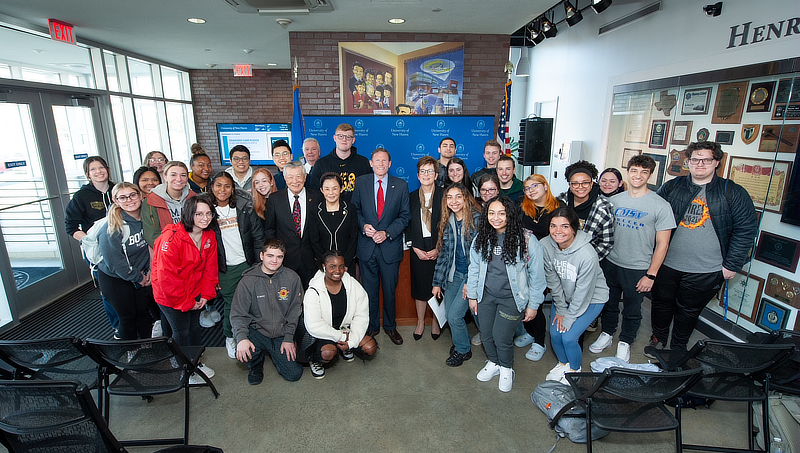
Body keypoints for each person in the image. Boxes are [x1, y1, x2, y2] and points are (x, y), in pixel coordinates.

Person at [647, 141, 757, 355]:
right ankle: (658, 338)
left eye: (706, 159)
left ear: (716, 162)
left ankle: (679, 346)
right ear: (688, 162)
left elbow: (746, 231)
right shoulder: (672, 187)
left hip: (706, 268)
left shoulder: (733, 192)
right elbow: (653, 218)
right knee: (661, 304)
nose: (700, 164)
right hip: (667, 263)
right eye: (695, 159)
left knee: (688, 310)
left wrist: (731, 265)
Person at [589, 155, 676, 362]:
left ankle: (625, 341)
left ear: (650, 175)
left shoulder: (660, 205)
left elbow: (663, 244)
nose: (638, 176)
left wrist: (651, 275)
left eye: (644, 172)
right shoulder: (613, 201)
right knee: (608, 303)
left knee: (632, 308)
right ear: (628, 173)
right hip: (611, 262)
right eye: (634, 171)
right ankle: (607, 334)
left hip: (638, 267)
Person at [466, 196, 546, 392]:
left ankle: (506, 368)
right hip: (486, 296)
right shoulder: (481, 237)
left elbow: (537, 277)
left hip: (512, 299)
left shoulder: (527, 239)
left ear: (510, 215)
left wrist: (534, 304)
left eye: (502, 213)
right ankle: (494, 363)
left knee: (501, 337)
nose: (496, 218)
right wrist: (473, 295)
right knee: (486, 335)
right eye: (492, 213)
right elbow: (474, 268)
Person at [151, 194, 218, 384]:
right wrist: (187, 302)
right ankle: (184, 369)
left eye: (208, 214)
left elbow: (209, 268)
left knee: (195, 328)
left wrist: (205, 295)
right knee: (181, 331)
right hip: (169, 295)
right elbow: (167, 279)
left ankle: (194, 361)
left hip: (194, 291)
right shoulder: (171, 239)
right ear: (189, 214)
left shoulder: (209, 235)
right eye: (199, 214)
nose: (205, 218)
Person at [541, 207, 608, 385]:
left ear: (574, 228)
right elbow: (552, 279)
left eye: (564, 226)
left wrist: (570, 317)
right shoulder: (545, 245)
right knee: (555, 334)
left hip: (592, 299)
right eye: (553, 226)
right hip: (563, 297)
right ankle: (563, 364)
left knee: (569, 337)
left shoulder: (587, 255)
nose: (558, 231)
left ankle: (574, 370)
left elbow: (584, 291)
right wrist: (561, 308)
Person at [351, 148, 410, 345]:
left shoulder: (401, 186)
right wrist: (363, 226)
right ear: (371, 163)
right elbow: (355, 210)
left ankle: (391, 327)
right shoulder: (361, 183)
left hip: (390, 248)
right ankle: (372, 326)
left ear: (390, 164)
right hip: (367, 248)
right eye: (377, 160)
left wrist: (387, 233)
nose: (381, 164)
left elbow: (405, 216)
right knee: (369, 291)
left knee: (390, 291)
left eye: (385, 160)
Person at [230, 239, 304, 385]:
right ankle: (256, 364)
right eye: (270, 256)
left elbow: (295, 311)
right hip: (257, 331)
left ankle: (274, 353)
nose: (274, 261)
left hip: (281, 333)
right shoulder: (248, 281)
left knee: (294, 374)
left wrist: (289, 338)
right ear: (262, 256)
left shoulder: (292, 278)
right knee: (243, 351)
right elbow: (238, 313)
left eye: (279, 257)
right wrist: (241, 338)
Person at [210, 171, 265, 359]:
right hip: (225, 268)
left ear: (233, 189)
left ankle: (249, 335)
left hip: (247, 263)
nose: (222, 190)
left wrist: (259, 264)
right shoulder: (207, 212)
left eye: (227, 186)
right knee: (231, 305)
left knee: (253, 302)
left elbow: (257, 236)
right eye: (218, 185)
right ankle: (230, 336)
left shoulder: (244, 208)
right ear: (212, 188)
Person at [302, 251, 378, 379]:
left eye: (341, 266)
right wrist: (341, 337)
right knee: (328, 352)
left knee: (369, 347)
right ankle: (315, 359)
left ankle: (346, 348)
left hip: (345, 329)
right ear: (324, 267)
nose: (338, 270)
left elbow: (361, 316)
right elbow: (314, 325)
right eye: (332, 266)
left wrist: (351, 341)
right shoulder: (313, 290)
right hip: (325, 332)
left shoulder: (353, 285)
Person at [64, 156, 118, 334]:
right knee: (109, 290)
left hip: (121, 247)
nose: (98, 171)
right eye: (93, 169)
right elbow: (70, 227)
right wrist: (90, 242)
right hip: (97, 250)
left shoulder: (118, 190)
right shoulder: (81, 196)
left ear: (107, 169)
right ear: (87, 174)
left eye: (101, 167)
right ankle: (117, 326)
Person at [513, 174, 564, 362]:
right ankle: (530, 332)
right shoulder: (523, 207)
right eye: (527, 188)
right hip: (524, 261)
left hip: (547, 263)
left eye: (535, 186)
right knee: (525, 299)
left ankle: (540, 341)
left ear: (545, 186)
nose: (531, 190)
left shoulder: (558, 209)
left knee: (537, 302)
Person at [432, 183, 482, 367]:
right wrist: (437, 282)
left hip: (471, 277)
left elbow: (481, 257)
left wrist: (471, 282)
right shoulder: (448, 220)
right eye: (449, 197)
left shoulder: (477, 220)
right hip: (454, 275)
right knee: (449, 313)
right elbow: (444, 254)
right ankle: (462, 341)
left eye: (458, 197)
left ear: (466, 198)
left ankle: (463, 350)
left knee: (454, 316)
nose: (454, 201)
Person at [96, 183, 152, 340]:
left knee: (143, 313)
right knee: (128, 318)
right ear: (115, 200)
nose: (129, 200)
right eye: (123, 197)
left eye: (133, 195)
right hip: (116, 278)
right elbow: (114, 262)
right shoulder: (113, 226)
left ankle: (147, 349)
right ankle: (131, 355)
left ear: (140, 196)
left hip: (142, 274)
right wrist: (139, 278)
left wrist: (147, 273)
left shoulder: (147, 218)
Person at [263, 161, 320, 288]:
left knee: (311, 298)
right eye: (290, 177)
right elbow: (270, 229)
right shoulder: (275, 199)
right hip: (285, 260)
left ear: (305, 177)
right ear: (284, 178)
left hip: (311, 260)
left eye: (299, 176)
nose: (295, 181)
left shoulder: (317, 197)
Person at [406, 157, 443, 341]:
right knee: (420, 287)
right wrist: (414, 246)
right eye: (423, 171)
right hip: (418, 248)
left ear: (436, 175)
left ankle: (436, 322)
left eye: (430, 171)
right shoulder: (411, 197)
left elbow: (448, 224)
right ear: (418, 175)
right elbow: (406, 223)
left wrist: (439, 247)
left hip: (439, 248)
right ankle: (420, 322)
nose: (426, 175)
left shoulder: (445, 195)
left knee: (438, 288)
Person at [556, 160, 614, 261]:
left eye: (585, 183)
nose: (580, 187)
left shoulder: (603, 208)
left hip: (587, 260)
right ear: (570, 185)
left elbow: (606, 243)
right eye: (575, 183)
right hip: (559, 256)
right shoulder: (560, 201)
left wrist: (586, 260)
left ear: (592, 184)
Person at [307, 123, 372, 202]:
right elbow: (315, 192)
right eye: (340, 136)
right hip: (328, 212)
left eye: (348, 137)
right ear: (335, 138)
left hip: (356, 212)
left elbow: (368, 191)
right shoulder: (321, 164)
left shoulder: (363, 162)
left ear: (353, 140)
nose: (344, 139)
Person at [307, 172, 358, 270]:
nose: (331, 193)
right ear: (321, 190)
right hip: (323, 265)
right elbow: (314, 240)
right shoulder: (315, 211)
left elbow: (353, 238)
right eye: (327, 189)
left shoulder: (350, 209)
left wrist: (344, 263)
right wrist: (325, 263)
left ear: (342, 188)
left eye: (335, 188)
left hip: (346, 264)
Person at [142, 161, 196, 247]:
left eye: (183, 175)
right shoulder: (151, 200)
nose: (178, 179)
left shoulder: (194, 197)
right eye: (173, 175)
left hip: (192, 247)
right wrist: (171, 249)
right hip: (167, 250)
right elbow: (151, 234)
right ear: (165, 177)